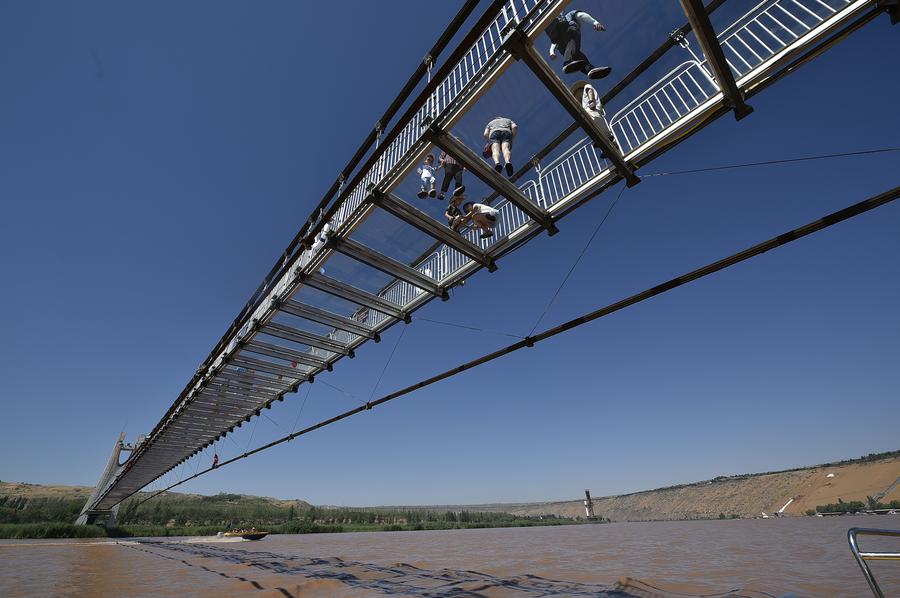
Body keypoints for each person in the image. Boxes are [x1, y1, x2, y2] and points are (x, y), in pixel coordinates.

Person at [546, 10, 611, 80]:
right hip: (568, 36)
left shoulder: (566, 20)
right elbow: (581, 15)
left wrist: (552, 52)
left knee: (578, 55)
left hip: (564, 46)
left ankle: (588, 68)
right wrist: (595, 22)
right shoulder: (569, 17)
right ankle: (567, 61)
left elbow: (554, 43)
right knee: (571, 34)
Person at [571, 80, 619, 156]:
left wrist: (591, 101)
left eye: (576, 94)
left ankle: (610, 140)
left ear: (579, 90)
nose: (576, 96)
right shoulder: (583, 102)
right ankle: (608, 145)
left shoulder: (586, 87)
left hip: (591, 109)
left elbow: (590, 91)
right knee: (594, 126)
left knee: (595, 120)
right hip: (592, 110)